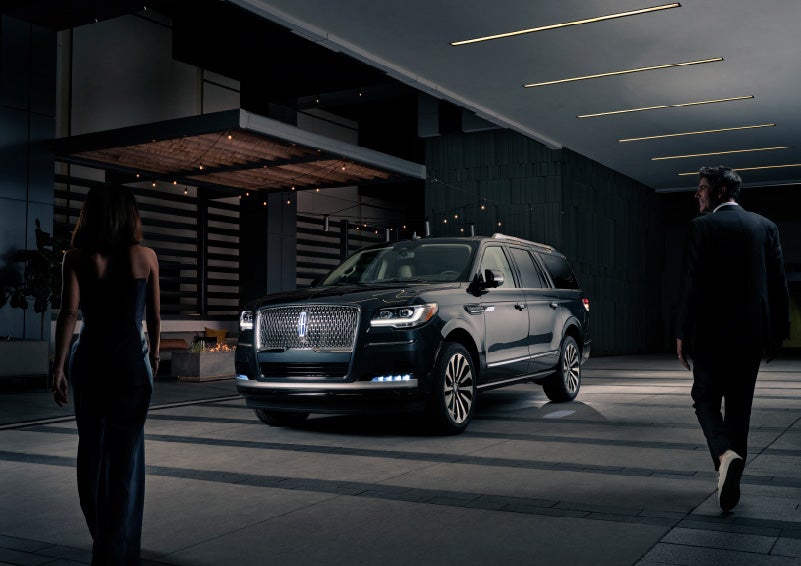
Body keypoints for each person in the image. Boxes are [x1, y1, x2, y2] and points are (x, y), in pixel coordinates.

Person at [52, 184, 160, 565]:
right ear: (128, 215)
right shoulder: (146, 257)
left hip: (91, 364)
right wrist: (156, 355)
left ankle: (104, 540)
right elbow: (153, 318)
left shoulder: (76, 258)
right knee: (126, 460)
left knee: (92, 454)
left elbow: (68, 314)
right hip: (131, 364)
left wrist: (59, 365)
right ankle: (119, 547)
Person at [676, 166, 789, 513]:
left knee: (704, 398)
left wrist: (682, 332)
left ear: (721, 191)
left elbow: (691, 285)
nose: (697, 194)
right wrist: (778, 334)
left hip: (711, 336)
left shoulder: (701, 227)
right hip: (751, 337)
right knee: (740, 409)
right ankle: (731, 487)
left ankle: (724, 455)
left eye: (702, 189)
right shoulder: (765, 227)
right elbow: (777, 284)